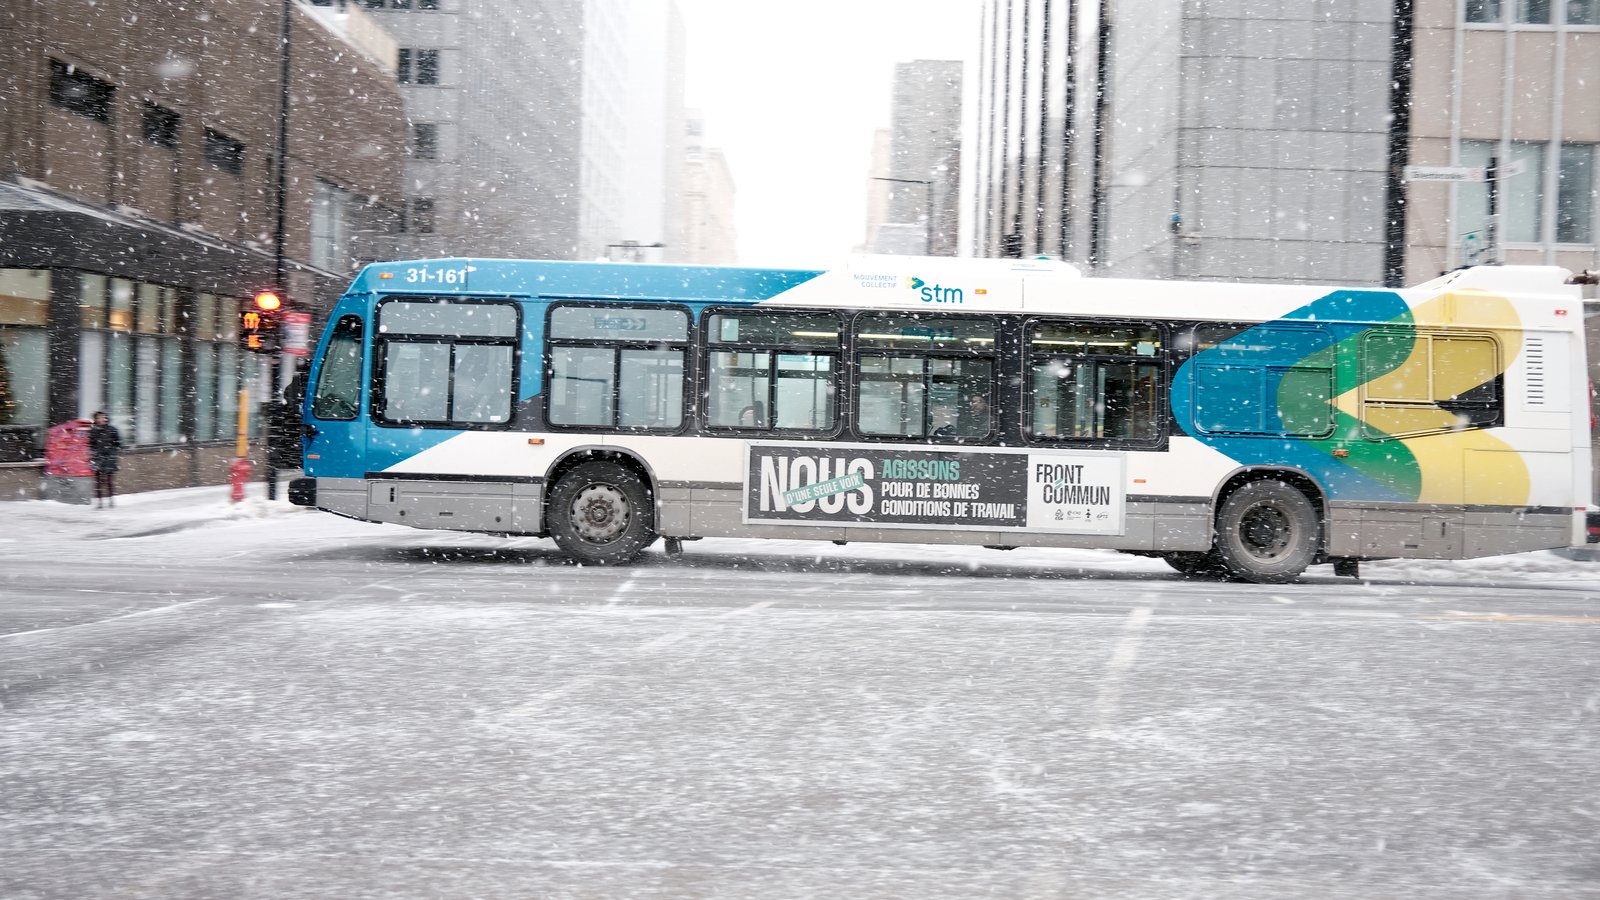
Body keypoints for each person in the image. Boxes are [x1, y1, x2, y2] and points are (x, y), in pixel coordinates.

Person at [88, 411, 121, 509]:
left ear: (106, 419)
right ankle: (99, 502)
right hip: (98, 458)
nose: (101, 419)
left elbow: (118, 443)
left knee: (109, 481)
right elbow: (91, 444)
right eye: (99, 418)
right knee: (98, 481)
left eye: (103, 417)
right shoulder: (93, 431)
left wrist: (112, 452)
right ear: (96, 419)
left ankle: (111, 500)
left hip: (109, 458)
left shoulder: (112, 430)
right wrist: (94, 453)